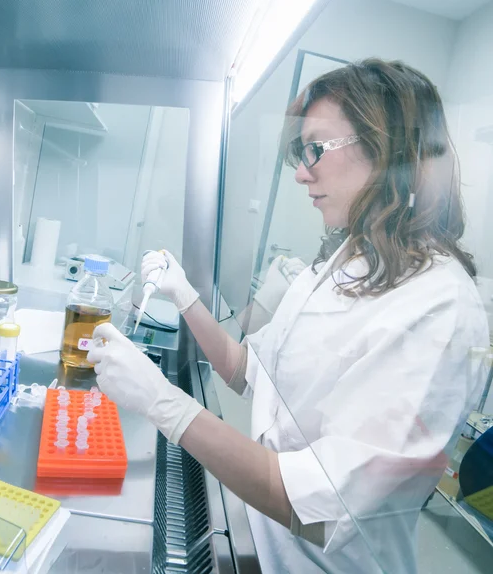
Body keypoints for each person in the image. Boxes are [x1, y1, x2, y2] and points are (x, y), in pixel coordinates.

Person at [88, 58, 490, 573]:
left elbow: (323, 509)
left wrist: (165, 405)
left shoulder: (439, 309)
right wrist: (185, 296)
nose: (301, 172)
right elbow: (246, 370)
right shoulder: (344, 262)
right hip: (262, 538)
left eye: (315, 149)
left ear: (386, 148)